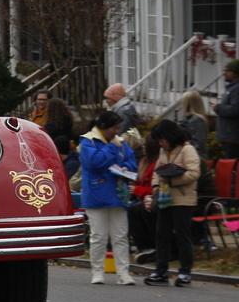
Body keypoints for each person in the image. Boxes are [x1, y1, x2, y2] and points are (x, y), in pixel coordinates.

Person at [79, 110, 137, 285]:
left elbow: (132, 162)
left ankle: (123, 273)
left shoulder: (120, 142)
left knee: (120, 235)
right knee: (98, 236)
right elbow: (94, 163)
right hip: (96, 195)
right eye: (114, 128)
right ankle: (97, 271)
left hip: (118, 195)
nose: (117, 131)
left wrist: (125, 168)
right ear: (103, 127)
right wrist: (112, 149)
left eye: (118, 128)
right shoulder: (87, 141)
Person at [143, 120, 201, 286]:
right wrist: (155, 187)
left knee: (182, 235)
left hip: (183, 199)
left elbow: (194, 173)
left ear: (170, 136)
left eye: (162, 139)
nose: (161, 143)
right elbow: (157, 171)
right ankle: (161, 271)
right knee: (162, 234)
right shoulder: (163, 151)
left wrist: (173, 181)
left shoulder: (187, 149)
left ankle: (185, 272)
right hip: (165, 197)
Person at [128, 135, 160, 263]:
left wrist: (136, 190)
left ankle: (148, 245)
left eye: (146, 146)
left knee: (137, 210)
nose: (143, 148)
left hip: (148, 197)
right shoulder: (144, 162)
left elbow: (153, 188)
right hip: (140, 197)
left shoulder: (155, 163)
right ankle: (142, 245)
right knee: (132, 208)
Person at [213, 58, 239, 158]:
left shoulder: (237, 89)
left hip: (233, 138)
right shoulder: (232, 88)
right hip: (228, 137)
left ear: (235, 73)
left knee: (232, 166)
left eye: (228, 71)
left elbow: (235, 109)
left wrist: (219, 108)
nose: (224, 73)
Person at [177, 90, 208, 158]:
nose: (181, 106)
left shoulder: (197, 120)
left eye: (183, 102)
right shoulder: (187, 119)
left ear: (188, 104)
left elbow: (198, 145)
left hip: (193, 160)